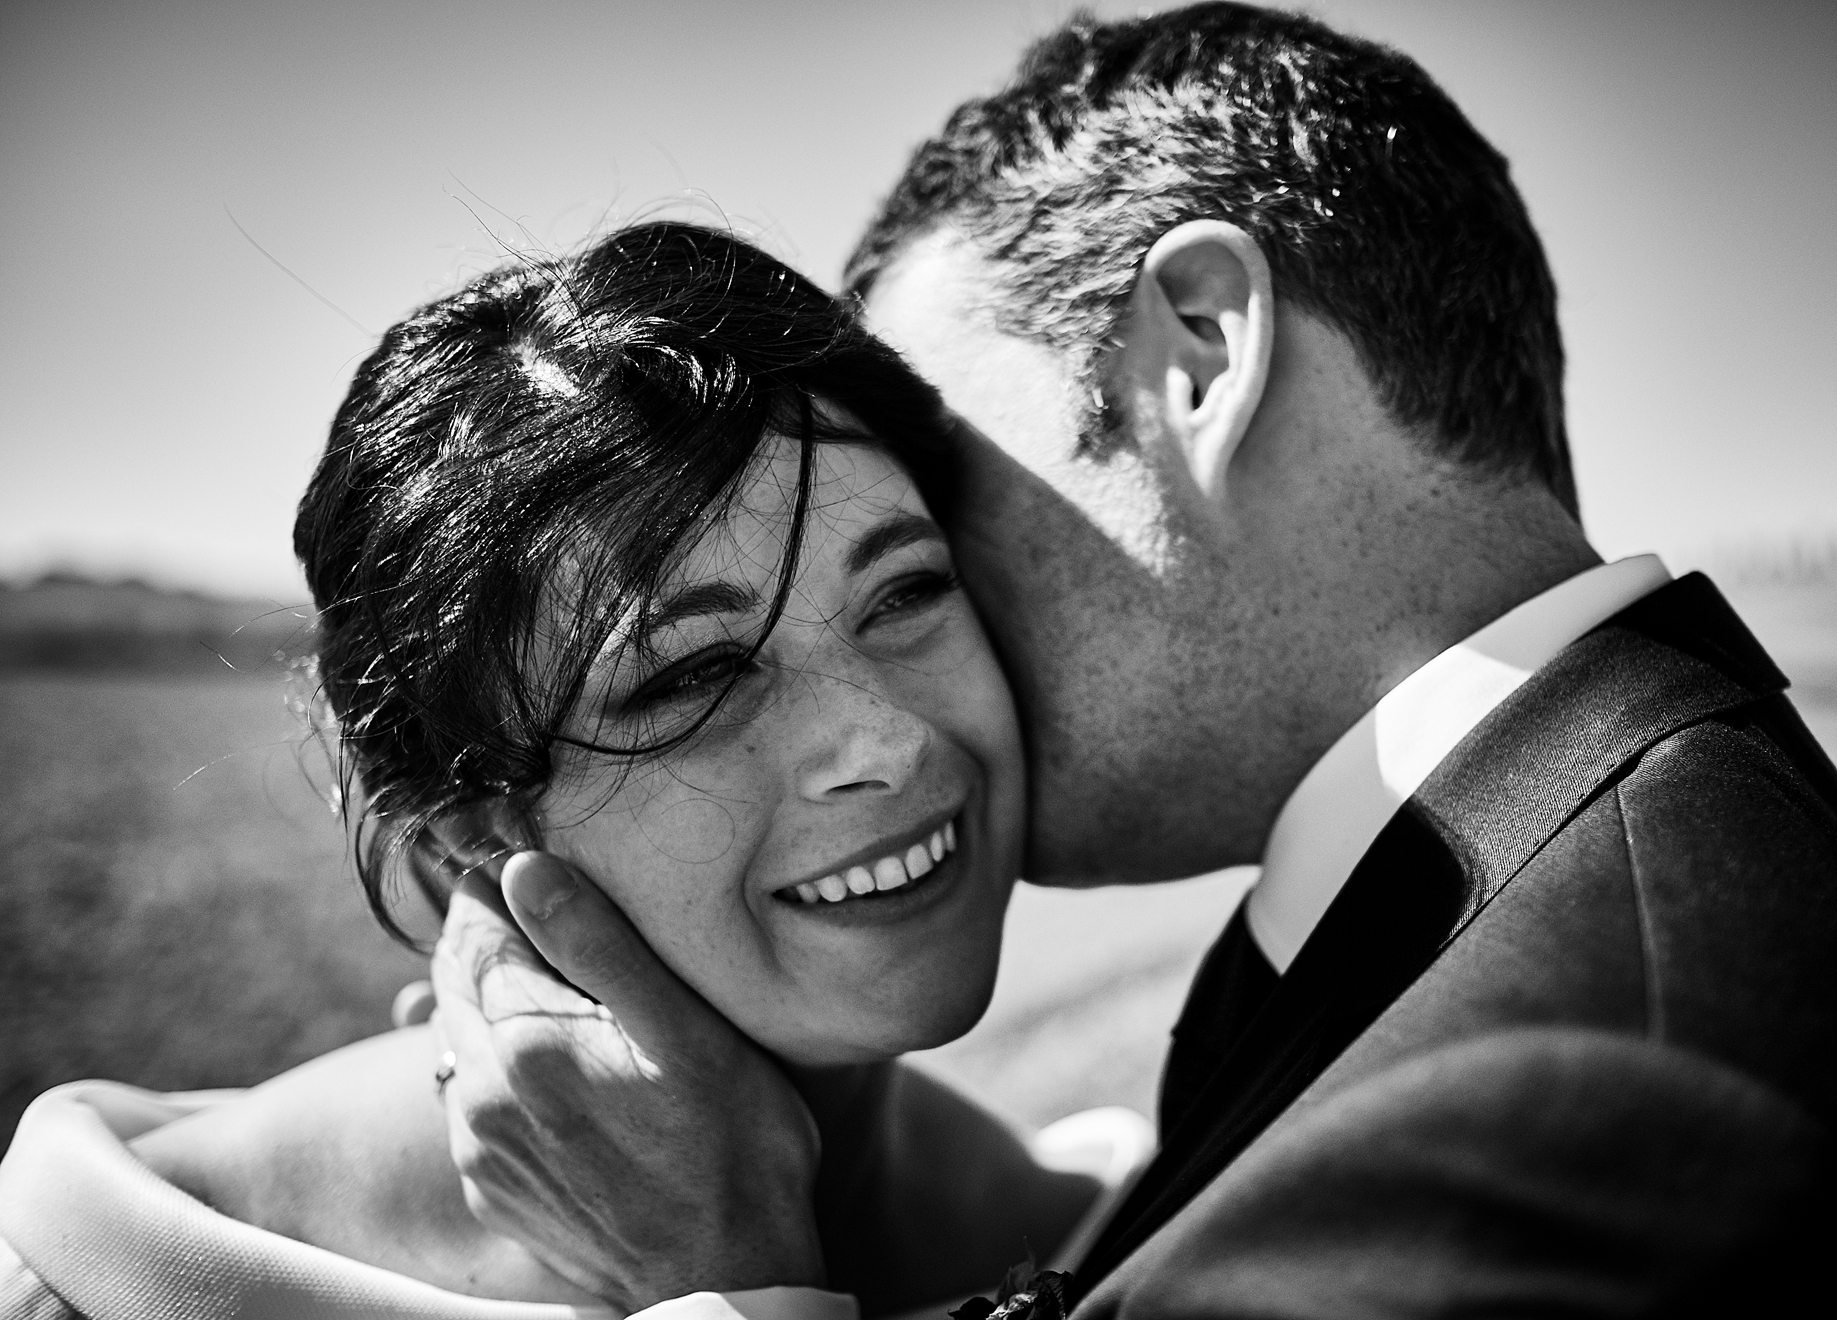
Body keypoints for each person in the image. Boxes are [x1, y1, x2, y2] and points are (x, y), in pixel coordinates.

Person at [428, 4, 1837, 1316]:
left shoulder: (1562, 1121)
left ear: (1202, 355)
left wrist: (728, 1277)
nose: (909, 672)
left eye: (946, 505)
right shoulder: (1593, 884)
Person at [0, 221, 1146, 1318]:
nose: (888, 743)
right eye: (692, 675)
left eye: (904, 593)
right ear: (472, 832)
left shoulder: (1121, 1222)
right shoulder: (123, 1273)